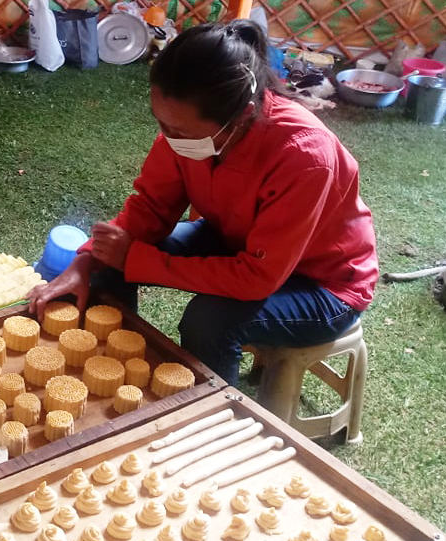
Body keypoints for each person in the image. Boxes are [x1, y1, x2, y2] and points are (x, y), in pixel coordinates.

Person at [28, 19, 378, 388]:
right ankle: (107, 374)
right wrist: (87, 259)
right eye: (161, 124)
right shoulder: (188, 132)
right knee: (107, 263)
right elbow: (151, 207)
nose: (168, 138)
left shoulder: (305, 156)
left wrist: (136, 260)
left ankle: (211, 417)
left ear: (241, 115)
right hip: (236, 242)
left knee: (208, 321)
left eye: (179, 131)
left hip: (323, 284)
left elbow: (257, 277)